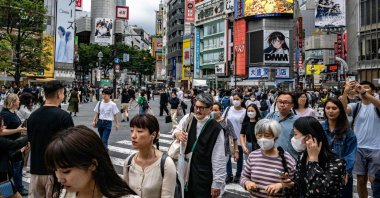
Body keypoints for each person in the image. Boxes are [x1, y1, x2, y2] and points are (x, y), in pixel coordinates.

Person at [45, 126, 138, 198]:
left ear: (92, 164)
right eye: (55, 170)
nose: (59, 179)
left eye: (66, 171)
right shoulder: (62, 194)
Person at [27, 80, 75, 197]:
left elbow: (30, 142)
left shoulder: (33, 116)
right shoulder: (63, 117)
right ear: (59, 94)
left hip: (35, 170)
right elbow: (70, 146)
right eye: (63, 93)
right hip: (55, 172)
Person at [173, 93, 226, 198]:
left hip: (205, 174)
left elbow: (218, 157)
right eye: (196, 107)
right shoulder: (188, 119)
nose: (197, 110)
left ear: (210, 109)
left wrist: (217, 183)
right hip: (187, 170)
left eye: (201, 108)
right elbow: (177, 129)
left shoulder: (216, 128)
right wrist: (177, 134)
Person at [281, 116, 346, 197]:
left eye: (295, 134)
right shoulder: (302, 157)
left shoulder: (336, 162)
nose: (293, 138)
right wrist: (289, 186)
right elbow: (301, 189)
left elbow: (317, 192)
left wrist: (313, 160)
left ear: (308, 137)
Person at [340, 80, 380, 198]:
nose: (362, 89)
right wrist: (345, 92)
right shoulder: (356, 106)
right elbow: (343, 109)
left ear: (373, 91)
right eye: (361, 87)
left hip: (377, 148)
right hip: (359, 148)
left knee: (374, 180)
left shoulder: (376, 105)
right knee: (361, 180)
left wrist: (364, 93)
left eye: (366, 88)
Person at [123, 114, 176, 198]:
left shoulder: (166, 164)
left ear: (153, 135)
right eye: (132, 130)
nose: (133, 136)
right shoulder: (128, 161)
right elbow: (125, 194)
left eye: (139, 131)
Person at [240, 119, 296, 197]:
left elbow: (293, 184)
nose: (262, 139)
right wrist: (247, 183)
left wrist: (280, 185)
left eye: (267, 136)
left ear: (275, 137)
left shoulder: (287, 159)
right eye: (259, 135)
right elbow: (244, 177)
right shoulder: (253, 156)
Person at [322, 98, 357, 197]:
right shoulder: (320, 128)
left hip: (341, 173)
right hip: (323, 173)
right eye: (328, 108)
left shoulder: (347, 131)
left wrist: (346, 171)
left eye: (334, 108)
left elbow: (351, 153)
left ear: (340, 110)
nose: (330, 111)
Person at [0, 93, 28, 195]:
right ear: (13, 102)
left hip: (16, 143)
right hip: (11, 145)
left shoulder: (12, 112)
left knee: (18, 166)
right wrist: (18, 130)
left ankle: (17, 187)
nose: (19, 101)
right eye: (17, 100)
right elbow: (2, 131)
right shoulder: (5, 114)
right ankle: (17, 188)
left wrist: (20, 130)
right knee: (16, 167)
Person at [211, 102, 238, 195]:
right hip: (211, 151)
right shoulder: (209, 121)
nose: (213, 112)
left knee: (220, 170)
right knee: (213, 170)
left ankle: (221, 191)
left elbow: (234, 137)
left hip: (224, 151)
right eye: (212, 110)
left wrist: (236, 151)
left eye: (216, 110)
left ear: (220, 111)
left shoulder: (226, 121)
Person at [266, 91, 299, 158]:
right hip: (270, 157)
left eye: (285, 102)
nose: (282, 105)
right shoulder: (270, 116)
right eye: (279, 101)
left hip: (289, 158)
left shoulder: (297, 121)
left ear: (292, 104)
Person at [223, 92, 246, 183]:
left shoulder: (245, 111)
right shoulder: (228, 109)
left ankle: (238, 174)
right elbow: (222, 119)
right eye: (234, 99)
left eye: (237, 99)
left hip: (239, 138)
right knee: (227, 157)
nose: (235, 101)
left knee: (239, 157)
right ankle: (229, 174)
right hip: (228, 137)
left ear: (242, 100)